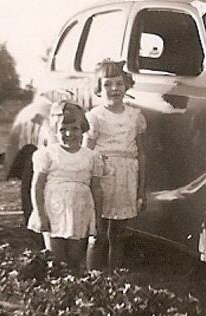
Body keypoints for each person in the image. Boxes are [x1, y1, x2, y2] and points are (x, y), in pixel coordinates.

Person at [85, 59, 147, 270]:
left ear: (126, 85)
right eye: (107, 84)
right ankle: (92, 279)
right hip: (102, 179)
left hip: (126, 178)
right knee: (98, 234)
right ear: (99, 88)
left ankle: (115, 280)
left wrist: (141, 189)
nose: (114, 89)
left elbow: (141, 154)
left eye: (119, 84)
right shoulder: (95, 117)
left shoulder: (134, 116)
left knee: (118, 235)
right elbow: (86, 154)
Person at [27, 101, 103, 270]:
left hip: (80, 211)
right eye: (62, 129)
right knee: (56, 260)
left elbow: (96, 188)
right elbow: (37, 186)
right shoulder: (47, 155)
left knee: (75, 260)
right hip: (54, 211)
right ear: (54, 130)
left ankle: (74, 290)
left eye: (75, 128)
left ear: (83, 128)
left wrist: (97, 219)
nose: (69, 134)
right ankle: (57, 290)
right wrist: (41, 215)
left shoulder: (91, 157)